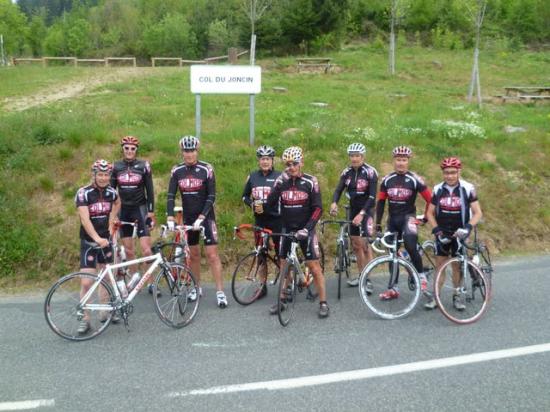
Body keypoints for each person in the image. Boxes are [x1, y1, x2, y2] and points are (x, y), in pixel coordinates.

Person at [266, 146, 329, 318]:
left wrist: (307, 229)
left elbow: (318, 209)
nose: (291, 167)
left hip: (305, 229)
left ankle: (323, 302)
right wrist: (277, 186)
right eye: (287, 164)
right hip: (287, 229)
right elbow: (269, 205)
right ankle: (282, 301)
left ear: (301, 163)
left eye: (294, 163)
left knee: (314, 266)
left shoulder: (310, 181)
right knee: (283, 266)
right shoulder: (282, 181)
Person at [166, 135, 228, 308]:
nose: (189, 154)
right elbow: (171, 195)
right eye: (186, 151)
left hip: (206, 218)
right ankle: (196, 287)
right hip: (189, 218)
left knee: (212, 255)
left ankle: (220, 292)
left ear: (197, 151)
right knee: (193, 255)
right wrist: (170, 216)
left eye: (192, 150)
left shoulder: (206, 169)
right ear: (182, 152)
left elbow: (211, 195)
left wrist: (202, 216)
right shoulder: (177, 171)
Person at [375, 146, 432, 301]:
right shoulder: (387, 180)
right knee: (391, 253)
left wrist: (425, 218)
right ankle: (393, 288)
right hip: (393, 220)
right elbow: (380, 202)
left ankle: (421, 276)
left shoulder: (415, 179)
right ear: (394, 161)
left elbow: (430, 200)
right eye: (398, 160)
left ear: (408, 161)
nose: (401, 163)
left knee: (410, 245)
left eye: (404, 160)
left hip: (408, 218)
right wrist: (378, 223)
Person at [425, 157, 483, 310]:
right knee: (440, 266)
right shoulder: (438, 189)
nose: (449, 176)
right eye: (446, 173)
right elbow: (430, 213)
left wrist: (468, 228)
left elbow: (477, 213)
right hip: (442, 232)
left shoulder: (467, 188)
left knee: (457, 266)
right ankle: (436, 297)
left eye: (452, 172)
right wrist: (436, 230)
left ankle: (457, 296)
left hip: (460, 232)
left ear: (459, 172)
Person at [75, 159, 120, 334]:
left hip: (106, 241)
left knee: (107, 277)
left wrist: (111, 222)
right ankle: (84, 319)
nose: (103, 178)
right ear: (93, 175)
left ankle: (105, 311)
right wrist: (96, 238)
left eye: (106, 175)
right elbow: (84, 220)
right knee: (86, 281)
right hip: (89, 242)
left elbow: (117, 204)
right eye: (100, 175)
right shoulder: (83, 193)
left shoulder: (111, 192)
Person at [110, 136, 156, 294]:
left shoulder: (144, 165)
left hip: (140, 208)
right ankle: (136, 279)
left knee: (146, 250)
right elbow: (111, 193)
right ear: (122, 149)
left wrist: (151, 212)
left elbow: (149, 190)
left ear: (136, 150)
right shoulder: (116, 167)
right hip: (124, 211)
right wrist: (113, 215)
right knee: (129, 250)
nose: (129, 151)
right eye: (126, 148)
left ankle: (151, 282)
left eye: (132, 148)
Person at [330, 142, 378, 288]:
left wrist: (362, 214)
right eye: (352, 156)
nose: (354, 159)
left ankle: (368, 279)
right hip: (353, 210)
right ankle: (361, 274)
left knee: (365, 245)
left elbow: (372, 197)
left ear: (362, 156)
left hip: (367, 210)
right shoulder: (346, 173)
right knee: (356, 245)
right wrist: (334, 203)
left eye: (357, 156)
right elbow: (339, 190)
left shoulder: (370, 172)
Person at [241, 145, 282, 299]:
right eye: (262, 159)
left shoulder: (280, 176)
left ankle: (287, 285)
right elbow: (244, 196)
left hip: (277, 220)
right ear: (259, 161)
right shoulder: (252, 177)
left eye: (268, 159)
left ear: (272, 160)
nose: (265, 162)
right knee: (261, 255)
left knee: (281, 254)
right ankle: (262, 286)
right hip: (260, 221)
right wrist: (251, 204)